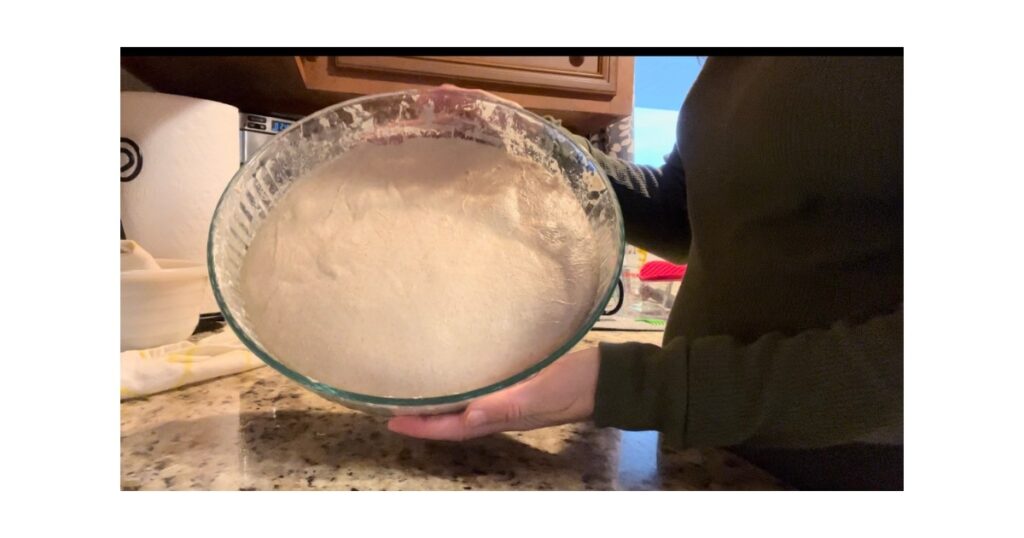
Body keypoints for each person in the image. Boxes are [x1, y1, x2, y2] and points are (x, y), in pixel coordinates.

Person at [387, 56, 904, 490]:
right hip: (706, 444)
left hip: (848, 473)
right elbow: (688, 209)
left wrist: (631, 386)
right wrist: (537, 141)